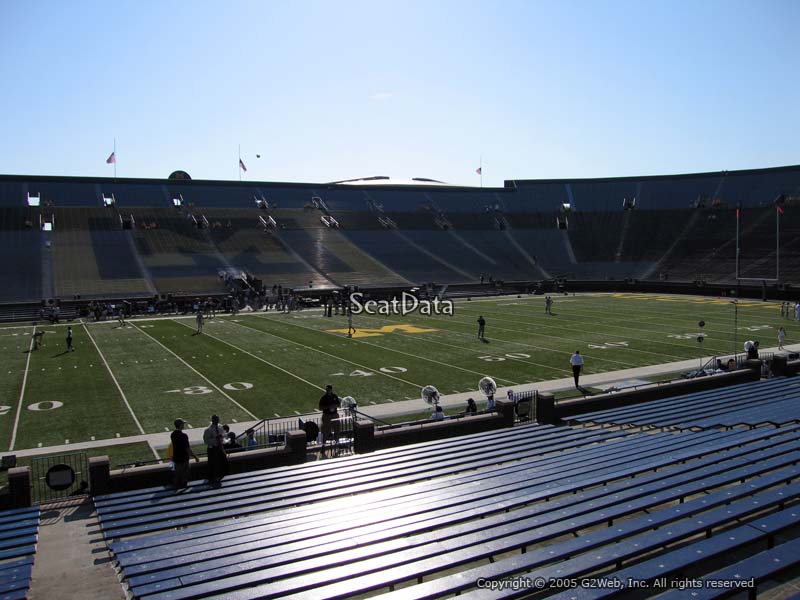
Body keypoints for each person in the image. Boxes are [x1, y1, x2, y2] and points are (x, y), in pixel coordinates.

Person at [171, 418, 198, 489]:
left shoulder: (173, 434)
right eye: (182, 424)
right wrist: (195, 457)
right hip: (184, 459)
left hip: (176, 458)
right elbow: (188, 449)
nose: (184, 425)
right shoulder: (184, 436)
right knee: (184, 477)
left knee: (177, 475)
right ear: (180, 425)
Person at [203, 415, 227, 488]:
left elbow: (223, 435)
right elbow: (206, 441)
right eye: (216, 419)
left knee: (221, 462)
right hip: (212, 449)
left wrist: (223, 439)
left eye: (218, 419)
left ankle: (220, 475)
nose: (217, 420)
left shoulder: (220, 427)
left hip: (219, 447)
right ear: (213, 420)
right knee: (213, 463)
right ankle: (212, 477)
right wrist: (216, 439)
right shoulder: (208, 429)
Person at [318, 384, 341, 457]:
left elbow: (339, 404)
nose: (328, 391)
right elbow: (320, 408)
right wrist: (328, 407)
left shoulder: (334, 396)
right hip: (327, 416)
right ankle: (323, 446)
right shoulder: (323, 398)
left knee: (337, 430)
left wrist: (335, 406)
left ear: (331, 389)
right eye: (327, 389)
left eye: (329, 389)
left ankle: (337, 445)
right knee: (325, 432)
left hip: (334, 415)